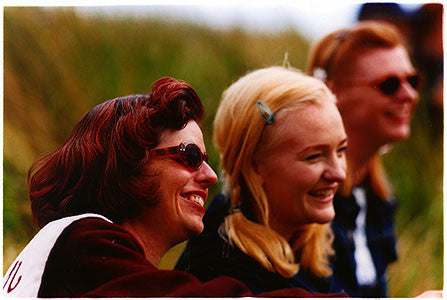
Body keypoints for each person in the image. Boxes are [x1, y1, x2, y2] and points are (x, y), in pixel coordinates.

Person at [2, 76, 344, 298]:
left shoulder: (90, 255)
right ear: (130, 161)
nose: (211, 176)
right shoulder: (83, 241)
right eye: (190, 155)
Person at [175, 66, 349, 294]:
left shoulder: (322, 236)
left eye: (341, 150)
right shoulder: (222, 272)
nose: (339, 174)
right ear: (254, 165)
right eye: (314, 156)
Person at [306, 21, 420, 297]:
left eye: (412, 80)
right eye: (389, 84)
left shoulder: (373, 196)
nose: (410, 95)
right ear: (331, 92)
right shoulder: (303, 202)